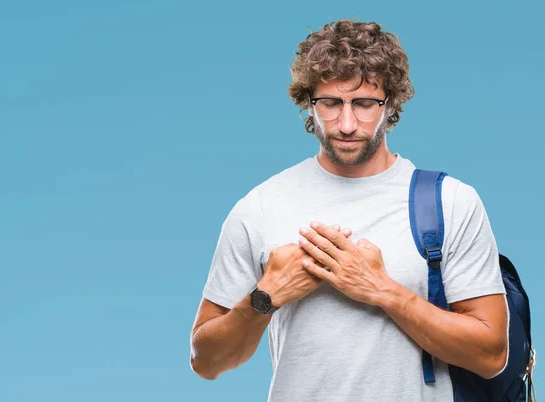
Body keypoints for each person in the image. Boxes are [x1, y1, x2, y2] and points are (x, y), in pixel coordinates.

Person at [189, 19, 509, 402]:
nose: (345, 124)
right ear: (309, 103)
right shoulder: (260, 207)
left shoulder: (450, 202)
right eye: (330, 103)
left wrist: (384, 291)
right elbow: (206, 362)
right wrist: (265, 297)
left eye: (363, 104)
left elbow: (491, 355)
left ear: (390, 103)